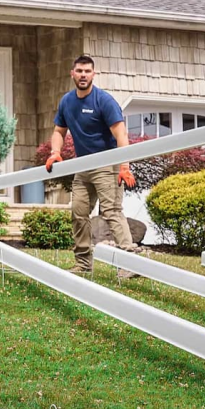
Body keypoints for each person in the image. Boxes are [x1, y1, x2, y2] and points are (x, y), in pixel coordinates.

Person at [45, 55, 137, 276]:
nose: (83, 75)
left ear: (93, 74)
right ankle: (84, 263)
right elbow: (59, 131)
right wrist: (55, 152)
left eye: (87, 71)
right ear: (72, 73)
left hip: (107, 164)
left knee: (111, 211)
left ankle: (130, 264)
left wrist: (124, 165)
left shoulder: (103, 101)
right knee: (78, 212)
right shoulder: (67, 101)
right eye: (79, 71)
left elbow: (120, 133)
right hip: (83, 166)